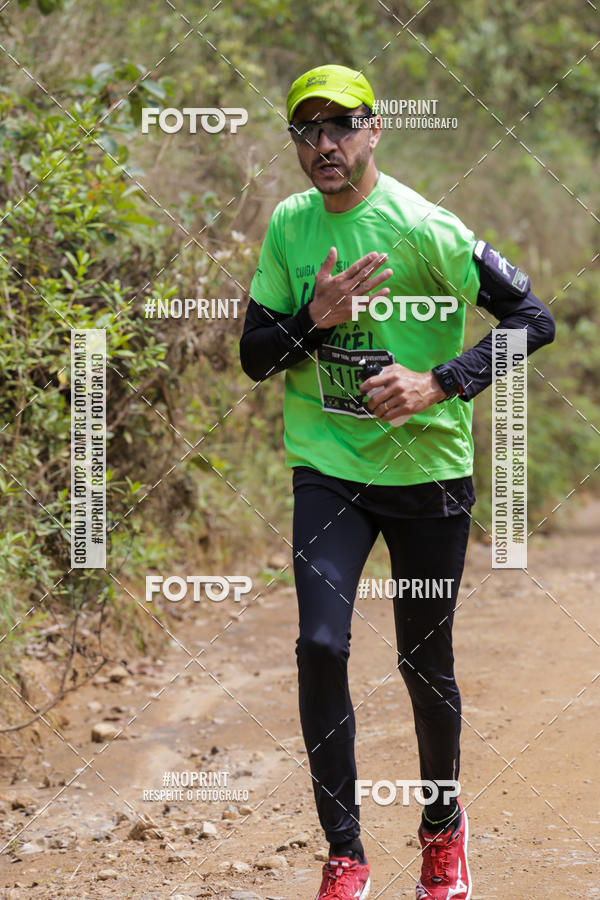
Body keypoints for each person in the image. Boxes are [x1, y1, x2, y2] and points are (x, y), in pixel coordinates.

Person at [239, 63, 555, 900]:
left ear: (376, 129)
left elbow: (533, 320)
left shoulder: (427, 227)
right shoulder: (290, 227)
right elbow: (253, 359)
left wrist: (438, 384)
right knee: (319, 646)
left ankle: (443, 834)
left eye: (340, 126)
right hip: (330, 470)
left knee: (423, 661)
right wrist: (314, 319)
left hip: (427, 475)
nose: (324, 145)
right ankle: (345, 855)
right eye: (307, 131)